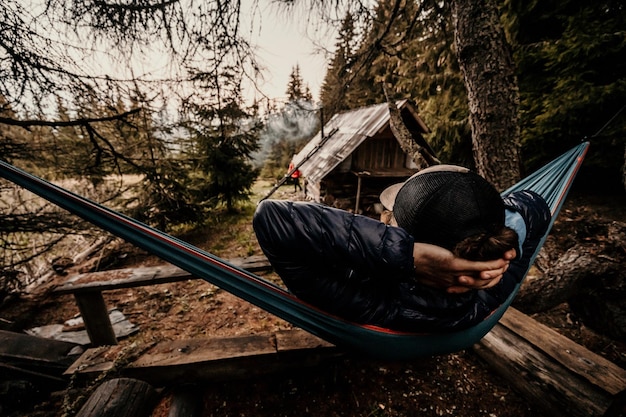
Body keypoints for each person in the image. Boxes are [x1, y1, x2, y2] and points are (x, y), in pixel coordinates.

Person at [253, 165, 550, 332]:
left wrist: (408, 257)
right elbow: (534, 203)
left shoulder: (368, 294)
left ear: (399, 235)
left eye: (390, 218)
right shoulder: (489, 290)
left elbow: (270, 218)